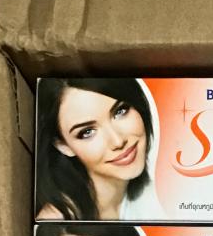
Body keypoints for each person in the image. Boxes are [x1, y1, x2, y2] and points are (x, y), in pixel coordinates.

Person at [36, 78, 155, 220]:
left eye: (120, 111)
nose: (118, 141)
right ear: (63, 146)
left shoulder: (158, 193)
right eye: (87, 132)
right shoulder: (58, 221)